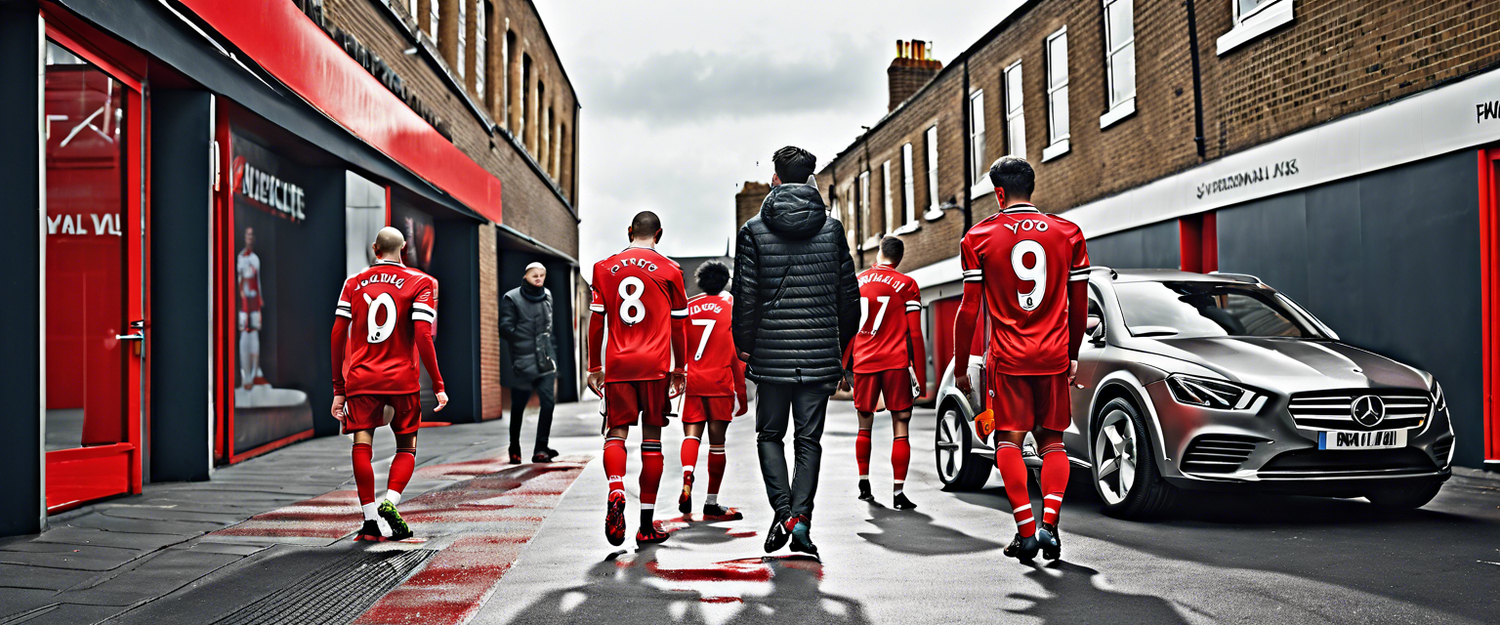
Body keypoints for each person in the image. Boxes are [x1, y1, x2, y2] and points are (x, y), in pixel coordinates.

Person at [953, 156, 1089, 563]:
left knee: (1008, 440)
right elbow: (1078, 307)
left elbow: (968, 311)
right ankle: (1050, 527)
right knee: (1052, 442)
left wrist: (961, 368)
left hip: (1008, 359)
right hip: (1053, 355)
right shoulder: (1068, 233)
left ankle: (1026, 533)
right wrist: (1073, 354)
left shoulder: (978, 237)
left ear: (998, 193)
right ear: (1030, 188)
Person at [732, 146, 859, 556]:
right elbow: (849, 298)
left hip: (769, 355)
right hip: (821, 352)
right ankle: (800, 519)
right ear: (809, 179)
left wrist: (744, 348)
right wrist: (841, 348)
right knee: (809, 440)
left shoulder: (753, 229)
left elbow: (746, 297)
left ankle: (783, 511)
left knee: (770, 434)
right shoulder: (833, 229)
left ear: (775, 178)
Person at [330, 227, 449, 542]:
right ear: (404, 248)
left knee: (361, 445)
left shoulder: (353, 283)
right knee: (406, 447)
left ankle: (369, 522)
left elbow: (337, 334)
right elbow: (423, 335)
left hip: (361, 378)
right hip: (402, 380)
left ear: (374, 248)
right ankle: (390, 501)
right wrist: (438, 384)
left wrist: (338, 388)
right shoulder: (420, 282)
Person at [586, 211, 689, 547]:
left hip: (618, 366)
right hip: (655, 367)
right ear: (659, 233)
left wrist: (593, 367)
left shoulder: (603, 268)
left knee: (616, 434)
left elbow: (596, 322)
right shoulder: (671, 270)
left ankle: (616, 488)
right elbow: (678, 326)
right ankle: (646, 524)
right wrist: (680, 369)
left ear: (629, 231)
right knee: (652, 442)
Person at [840, 236, 926, 510]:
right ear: (899, 258)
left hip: (864, 362)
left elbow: (847, 329)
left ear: (878, 253)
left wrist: (843, 367)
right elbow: (914, 333)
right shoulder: (907, 285)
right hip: (895, 363)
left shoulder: (857, 281)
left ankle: (863, 482)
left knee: (864, 423)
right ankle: (899, 493)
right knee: (901, 425)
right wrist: (921, 377)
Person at [678, 260, 749, 520]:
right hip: (720, 382)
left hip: (694, 380)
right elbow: (735, 356)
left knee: (691, 435)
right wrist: (741, 394)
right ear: (725, 281)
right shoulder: (731, 306)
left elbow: (679, 346)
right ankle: (711, 502)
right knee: (717, 445)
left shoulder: (689, 306)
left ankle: (687, 476)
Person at [500, 262, 560, 464]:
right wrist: (522, 339)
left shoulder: (548, 296)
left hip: (545, 359)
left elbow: (550, 327)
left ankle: (541, 448)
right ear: (525, 275)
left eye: (542, 275)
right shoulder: (511, 297)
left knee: (548, 404)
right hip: (522, 360)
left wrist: (552, 353)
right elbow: (505, 328)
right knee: (518, 406)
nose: (539, 278)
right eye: (535, 275)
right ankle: (514, 447)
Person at [238, 227, 264, 390]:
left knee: (254, 338)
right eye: (247, 234)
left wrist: (259, 303)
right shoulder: (240, 258)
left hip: (254, 305)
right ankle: (245, 376)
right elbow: (240, 281)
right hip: (243, 305)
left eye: (251, 235)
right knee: (244, 339)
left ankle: (254, 375)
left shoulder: (255, 259)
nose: (250, 238)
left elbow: (258, 282)